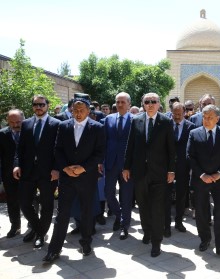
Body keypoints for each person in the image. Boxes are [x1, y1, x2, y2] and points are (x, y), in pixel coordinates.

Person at [43, 93, 105, 263]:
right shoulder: (63, 126)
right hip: (67, 177)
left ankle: (86, 243)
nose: (78, 113)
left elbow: (100, 153)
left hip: (87, 177)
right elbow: (58, 149)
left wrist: (83, 168)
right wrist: (65, 168)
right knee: (62, 213)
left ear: (88, 111)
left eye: (81, 110)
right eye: (75, 110)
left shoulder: (97, 127)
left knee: (86, 212)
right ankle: (54, 249)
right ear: (71, 110)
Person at [122, 92, 176, 258]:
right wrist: (126, 167)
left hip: (159, 173)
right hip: (139, 172)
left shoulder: (166, 122)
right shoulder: (136, 120)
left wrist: (171, 170)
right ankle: (147, 231)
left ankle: (156, 242)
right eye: (147, 102)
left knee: (157, 208)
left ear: (159, 104)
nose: (150, 104)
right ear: (143, 104)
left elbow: (171, 149)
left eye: (154, 101)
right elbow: (130, 145)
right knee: (143, 206)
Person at [187, 104, 220, 260]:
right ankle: (205, 239)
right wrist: (202, 175)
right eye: (204, 117)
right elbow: (190, 156)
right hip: (201, 180)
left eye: (210, 118)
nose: (206, 120)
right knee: (201, 212)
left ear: (217, 119)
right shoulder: (194, 134)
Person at [13, 95, 61, 248]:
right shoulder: (26, 123)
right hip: (28, 171)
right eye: (35, 104)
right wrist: (17, 165)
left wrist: (57, 169)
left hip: (48, 172)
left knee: (47, 205)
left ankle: (40, 235)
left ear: (47, 105)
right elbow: (20, 148)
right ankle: (36, 227)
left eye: (41, 104)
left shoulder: (57, 124)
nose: (38, 107)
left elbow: (60, 150)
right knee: (24, 202)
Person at [103, 92, 134, 240]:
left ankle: (124, 226)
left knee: (126, 197)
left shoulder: (135, 120)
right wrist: (100, 162)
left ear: (128, 104)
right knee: (108, 193)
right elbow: (103, 142)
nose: (119, 105)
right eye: (117, 102)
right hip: (110, 164)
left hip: (127, 166)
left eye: (122, 102)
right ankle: (119, 214)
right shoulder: (107, 119)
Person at [164, 102, 196, 237]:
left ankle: (178, 221)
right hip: (167, 166)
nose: (177, 117)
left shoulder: (192, 127)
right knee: (166, 195)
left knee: (182, 195)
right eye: (174, 114)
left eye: (179, 114)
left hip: (184, 166)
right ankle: (166, 224)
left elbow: (193, 148)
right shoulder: (165, 126)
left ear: (184, 113)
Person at [0, 109, 24, 238]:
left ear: (23, 119)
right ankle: (15, 226)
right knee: (12, 201)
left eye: (18, 122)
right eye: (11, 122)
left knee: (30, 199)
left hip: (28, 173)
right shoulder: (2, 134)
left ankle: (33, 225)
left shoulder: (30, 132)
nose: (15, 125)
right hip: (9, 174)